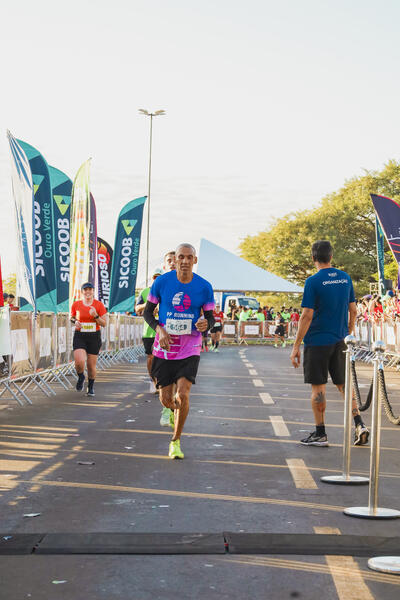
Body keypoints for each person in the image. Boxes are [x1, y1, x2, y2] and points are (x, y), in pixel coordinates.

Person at [290, 240, 369, 447]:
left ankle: (320, 433)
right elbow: (353, 310)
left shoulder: (313, 281)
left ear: (313, 258)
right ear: (331, 257)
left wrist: (296, 345)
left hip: (317, 341)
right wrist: (349, 330)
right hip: (340, 339)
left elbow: (307, 315)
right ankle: (359, 424)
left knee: (318, 388)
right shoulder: (345, 278)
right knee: (343, 385)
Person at [143, 243, 215, 459]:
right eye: (180, 257)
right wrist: (160, 329)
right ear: (175, 260)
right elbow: (147, 313)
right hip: (165, 348)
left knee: (183, 394)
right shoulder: (162, 282)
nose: (184, 261)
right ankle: (171, 409)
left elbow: (210, 317)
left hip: (190, 347)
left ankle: (176, 441)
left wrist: (206, 324)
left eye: (188, 257)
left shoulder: (204, 286)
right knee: (166, 398)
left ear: (195, 260)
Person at [70, 282, 107, 396]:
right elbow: (71, 317)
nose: (88, 292)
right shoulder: (76, 304)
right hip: (80, 335)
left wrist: (95, 315)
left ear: (93, 291)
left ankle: (90, 387)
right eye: (85, 290)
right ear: (82, 292)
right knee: (79, 361)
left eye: (90, 289)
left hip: (94, 336)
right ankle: (81, 377)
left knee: (91, 366)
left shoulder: (99, 305)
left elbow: (104, 323)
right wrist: (75, 321)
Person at [135, 267, 164, 393]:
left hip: (164, 330)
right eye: (154, 277)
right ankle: (153, 381)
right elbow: (137, 309)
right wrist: (149, 305)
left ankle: (163, 382)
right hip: (149, 331)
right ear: (152, 279)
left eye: (159, 277)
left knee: (163, 358)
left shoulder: (167, 291)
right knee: (151, 358)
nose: (156, 279)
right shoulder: (145, 292)